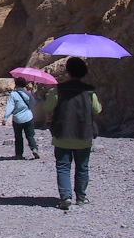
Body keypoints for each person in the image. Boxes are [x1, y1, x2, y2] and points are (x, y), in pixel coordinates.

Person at [42, 57, 101, 209]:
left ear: (67, 71)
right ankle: (81, 197)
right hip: (84, 135)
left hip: (62, 134)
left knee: (63, 166)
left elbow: (47, 107)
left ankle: (66, 196)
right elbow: (97, 110)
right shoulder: (89, 91)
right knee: (82, 167)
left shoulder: (59, 89)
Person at [1, 78, 40, 160]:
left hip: (17, 119)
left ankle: (19, 154)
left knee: (18, 137)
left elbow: (10, 107)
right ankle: (34, 149)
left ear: (16, 84)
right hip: (28, 117)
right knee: (30, 136)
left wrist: (5, 118)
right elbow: (33, 104)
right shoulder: (28, 93)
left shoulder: (13, 94)